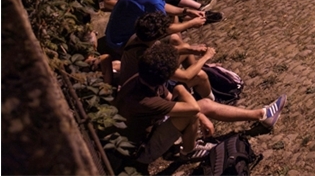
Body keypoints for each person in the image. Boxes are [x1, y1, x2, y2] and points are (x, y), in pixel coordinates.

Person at [114, 41, 286, 164]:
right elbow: (192, 108)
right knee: (192, 113)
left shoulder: (144, 77)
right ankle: (189, 152)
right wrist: (181, 87)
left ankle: (261, 115)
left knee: (201, 107)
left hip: (150, 127)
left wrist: (198, 111)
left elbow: (169, 98)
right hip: (141, 151)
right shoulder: (144, 101)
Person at [104, 0, 210, 53]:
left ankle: (183, 50)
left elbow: (163, 6)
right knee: (174, 39)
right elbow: (167, 28)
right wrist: (192, 23)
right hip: (121, 43)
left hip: (114, 34)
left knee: (174, 16)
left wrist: (186, 11)